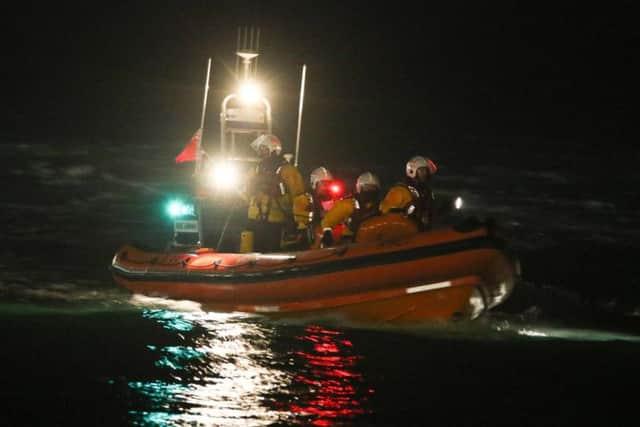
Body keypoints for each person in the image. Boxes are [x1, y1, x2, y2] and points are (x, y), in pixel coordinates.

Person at [242, 134, 306, 252]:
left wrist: (301, 224)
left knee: (273, 254)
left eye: (264, 149)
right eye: (259, 149)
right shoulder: (255, 170)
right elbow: (245, 194)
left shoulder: (288, 171)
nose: (261, 153)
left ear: (274, 150)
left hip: (277, 223)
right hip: (255, 221)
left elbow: (299, 197)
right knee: (252, 254)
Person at [314, 171, 382, 247]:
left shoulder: (382, 205)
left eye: (372, 188)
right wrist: (327, 232)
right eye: (367, 188)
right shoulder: (348, 205)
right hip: (351, 243)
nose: (369, 191)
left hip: (375, 240)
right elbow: (327, 222)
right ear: (359, 188)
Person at [379, 155, 438, 230]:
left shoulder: (426, 191)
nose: (425, 174)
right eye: (422, 170)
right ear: (412, 171)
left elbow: (430, 211)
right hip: (403, 233)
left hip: (423, 231)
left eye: (426, 171)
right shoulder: (399, 191)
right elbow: (385, 213)